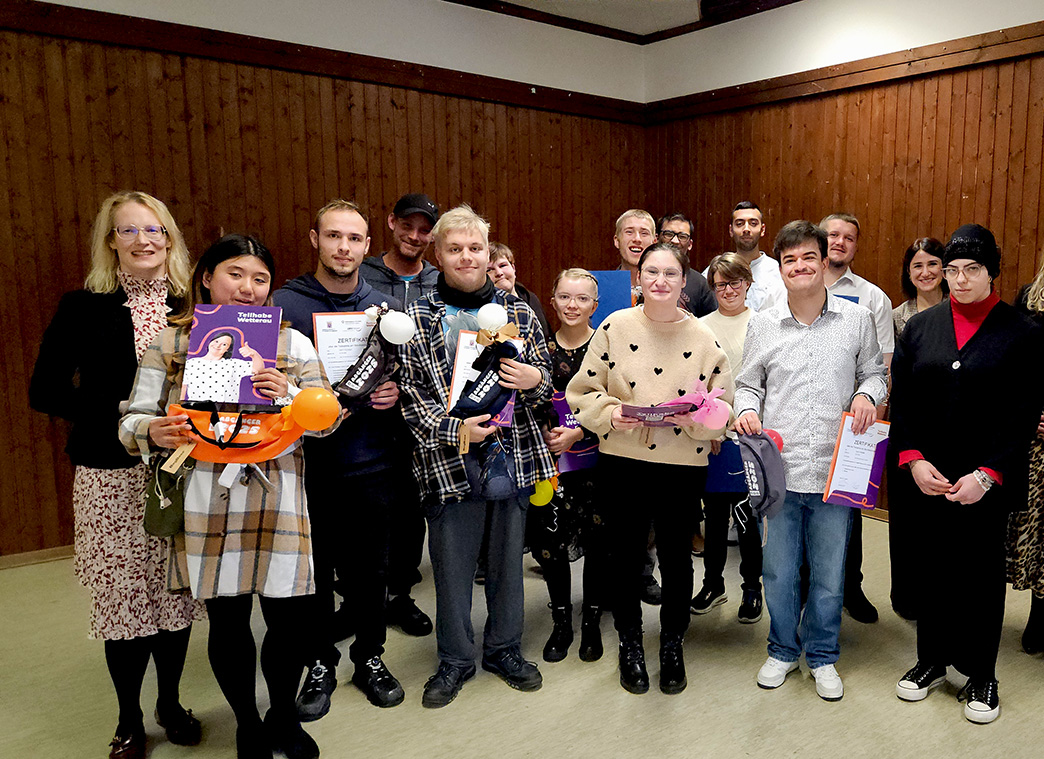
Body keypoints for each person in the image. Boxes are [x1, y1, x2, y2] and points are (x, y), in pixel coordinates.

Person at [120, 234, 336, 759]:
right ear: (207, 278)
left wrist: (286, 395)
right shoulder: (171, 344)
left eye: (260, 278)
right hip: (205, 496)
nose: (248, 287)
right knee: (229, 620)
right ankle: (247, 722)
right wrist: (155, 430)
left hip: (278, 494)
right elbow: (129, 422)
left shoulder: (291, 344)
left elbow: (326, 419)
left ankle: (284, 715)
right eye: (234, 274)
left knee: (286, 620)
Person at [29, 191, 205, 759]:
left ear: (170, 238)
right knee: (124, 602)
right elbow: (46, 391)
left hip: (181, 471)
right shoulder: (82, 306)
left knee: (175, 598)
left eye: (154, 230)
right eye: (128, 232)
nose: (143, 241)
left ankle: (170, 702)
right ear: (111, 242)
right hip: (110, 473)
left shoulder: (193, 306)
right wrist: (132, 419)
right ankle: (130, 720)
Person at [398, 205, 554, 708]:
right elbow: (410, 397)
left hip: (512, 457)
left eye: (476, 248)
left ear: (490, 254)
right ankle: (456, 659)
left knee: (508, 565)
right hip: (447, 462)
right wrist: (453, 428)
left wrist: (536, 381)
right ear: (436, 256)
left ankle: (505, 649)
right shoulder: (416, 318)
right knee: (451, 568)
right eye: (454, 249)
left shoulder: (520, 312)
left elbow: (546, 381)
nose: (467, 257)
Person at [890, 224, 1041, 724]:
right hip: (929, 477)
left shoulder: (1021, 333)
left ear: (992, 273)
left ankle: (982, 673)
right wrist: (912, 458)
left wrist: (990, 473)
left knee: (978, 576)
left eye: (971, 270)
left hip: (985, 482)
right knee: (932, 570)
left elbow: (1023, 416)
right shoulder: (921, 327)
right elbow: (905, 402)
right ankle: (931, 660)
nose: (959, 280)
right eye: (951, 271)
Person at [567, 242, 734, 696]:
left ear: (685, 282)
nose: (660, 280)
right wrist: (608, 413)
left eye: (670, 273)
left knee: (678, 558)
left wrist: (696, 419)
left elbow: (724, 407)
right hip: (622, 460)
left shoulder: (703, 338)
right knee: (624, 555)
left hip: (681, 465)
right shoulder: (614, 326)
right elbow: (582, 390)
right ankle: (630, 642)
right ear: (638, 278)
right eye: (651, 272)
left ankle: (673, 642)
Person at [734, 220, 886, 703]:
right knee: (777, 570)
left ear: (825, 263)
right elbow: (747, 383)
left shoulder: (856, 319)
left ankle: (822, 655)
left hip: (836, 472)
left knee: (828, 571)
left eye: (807, 258)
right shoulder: (763, 323)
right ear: (780, 270)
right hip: (779, 470)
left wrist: (866, 394)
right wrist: (747, 409)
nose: (799, 267)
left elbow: (875, 373)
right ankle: (781, 649)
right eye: (788, 260)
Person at [273, 200, 405, 720]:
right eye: (334, 237)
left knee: (371, 570)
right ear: (315, 239)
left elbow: (410, 379)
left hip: (373, 459)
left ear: (368, 246)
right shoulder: (284, 302)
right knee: (314, 573)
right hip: (307, 464)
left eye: (354, 238)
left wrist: (393, 394)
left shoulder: (385, 305)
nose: (344, 247)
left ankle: (370, 656)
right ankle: (320, 662)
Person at [359, 192, 440, 639]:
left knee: (411, 509)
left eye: (424, 229)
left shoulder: (437, 279)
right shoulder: (363, 275)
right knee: (370, 509)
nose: (414, 236)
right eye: (407, 225)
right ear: (390, 223)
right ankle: (359, 600)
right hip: (369, 412)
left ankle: (401, 596)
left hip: (420, 414)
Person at [529, 268, 609, 663]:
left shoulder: (608, 348)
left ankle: (592, 620)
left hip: (598, 465)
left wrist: (579, 432)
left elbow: (617, 405)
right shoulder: (539, 352)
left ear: (595, 304)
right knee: (551, 546)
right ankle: (562, 620)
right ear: (553, 299)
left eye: (582, 298)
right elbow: (526, 405)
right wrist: (545, 433)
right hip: (550, 468)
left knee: (597, 545)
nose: (572, 305)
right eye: (565, 297)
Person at [820, 212, 895, 624]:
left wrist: (871, 440)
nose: (840, 243)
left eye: (849, 238)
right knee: (800, 512)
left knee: (849, 512)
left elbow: (881, 369)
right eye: (833, 235)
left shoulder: (872, 298)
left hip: (854, 425)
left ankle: (852, 588)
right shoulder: (788, 287)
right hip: (802, 422)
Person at [691, 253, 764, 624]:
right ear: (712, 287)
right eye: (721, 284)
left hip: (753, 435)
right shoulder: (700, 327)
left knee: (749, 516)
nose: (729, 290)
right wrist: (714, 427)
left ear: (748, 283)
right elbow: (697, 381)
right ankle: (713, 584)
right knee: (715, 516)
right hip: (714, 436)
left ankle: (752, 588)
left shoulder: (765, 324)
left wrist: (748, 423)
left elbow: (768, 379)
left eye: (736, 282)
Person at [888, 237, 946, 620]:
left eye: (932, 264)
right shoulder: (897, 316)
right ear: (909, 273)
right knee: (906, 521)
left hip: (951, 427)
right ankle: (907, 598)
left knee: (941, 521)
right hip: (907, 425)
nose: (925, 272)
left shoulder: (959, 311)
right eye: (917, 266)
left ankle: (942, 595)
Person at [1009, 261, 1044, 655]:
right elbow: (1014, 364)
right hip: (1036, 435)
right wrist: (1028, 412)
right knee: (1038, 530)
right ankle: (1040, 612)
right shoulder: (1027, 298)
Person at [700, 201, 785, 312]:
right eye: (739, 224)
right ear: (731, 230)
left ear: (762, 229)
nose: (746, 229)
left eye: (753, 223)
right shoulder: (715, 270)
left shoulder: (778, 272)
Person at [655, 212, 717, 316]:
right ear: (657, 239)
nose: (675, 241)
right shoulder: (648, 276)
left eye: (682, 236)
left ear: (690, 244)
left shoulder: (700, 284)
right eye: (669, 234)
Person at [487, 242, 552, 338]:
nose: (499, 273)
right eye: (489, 270)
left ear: (513, 268)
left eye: (503, 265)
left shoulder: (531, 299)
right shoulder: (483, 307)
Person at [182, 331, 267, 403]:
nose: (218, 345)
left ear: (227, 349)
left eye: (224, 344)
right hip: (196, 410)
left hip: (226, 412)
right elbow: (183, 387)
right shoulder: (191, 363)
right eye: (216, 341)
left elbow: (258, 370)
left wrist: (254, 355)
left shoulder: (233, 364)